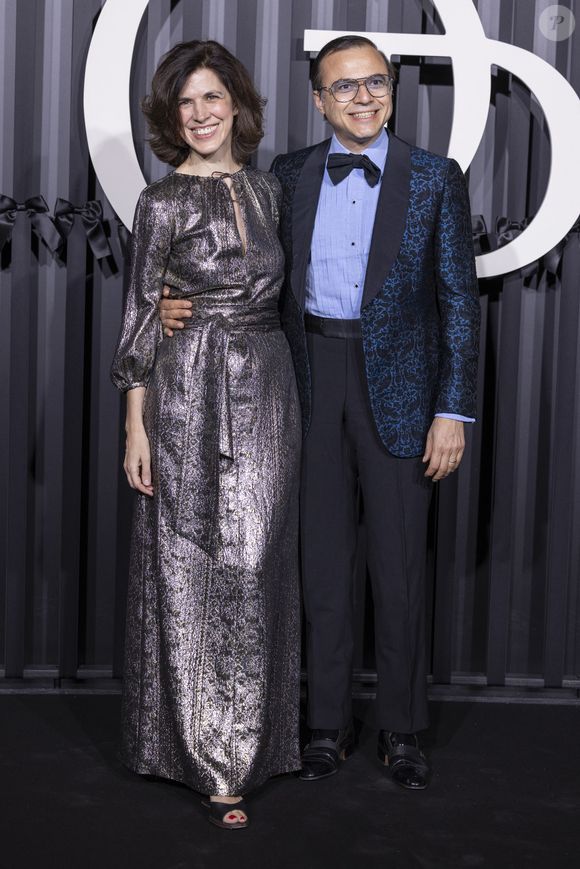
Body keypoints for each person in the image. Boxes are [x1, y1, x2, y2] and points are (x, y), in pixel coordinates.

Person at [159, 35, 480, 792]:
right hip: (303, 382)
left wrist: (453, 410)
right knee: (322, 566)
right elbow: (248, 275)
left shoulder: (436, 178)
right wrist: (180, 305)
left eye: (375, 83)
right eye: (345, 87)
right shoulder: (288, 174)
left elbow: (460, 304)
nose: (363, 97)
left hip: (402, 389)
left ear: (392, 92)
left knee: (398, 571)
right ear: (319, 99)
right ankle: (325, 724)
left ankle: (402, 728)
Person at [111, 40, 301, 830]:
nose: (200, 114)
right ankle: (204, 757)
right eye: (185, 103)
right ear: (170, 116)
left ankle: (259, 742)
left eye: (212, 98)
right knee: (187, 560)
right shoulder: (160, 203)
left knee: (257, 560)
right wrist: (135, 425)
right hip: (187, 386)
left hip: (268, 381)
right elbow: (138, 314)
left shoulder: (270, 189)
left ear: (238, 106)